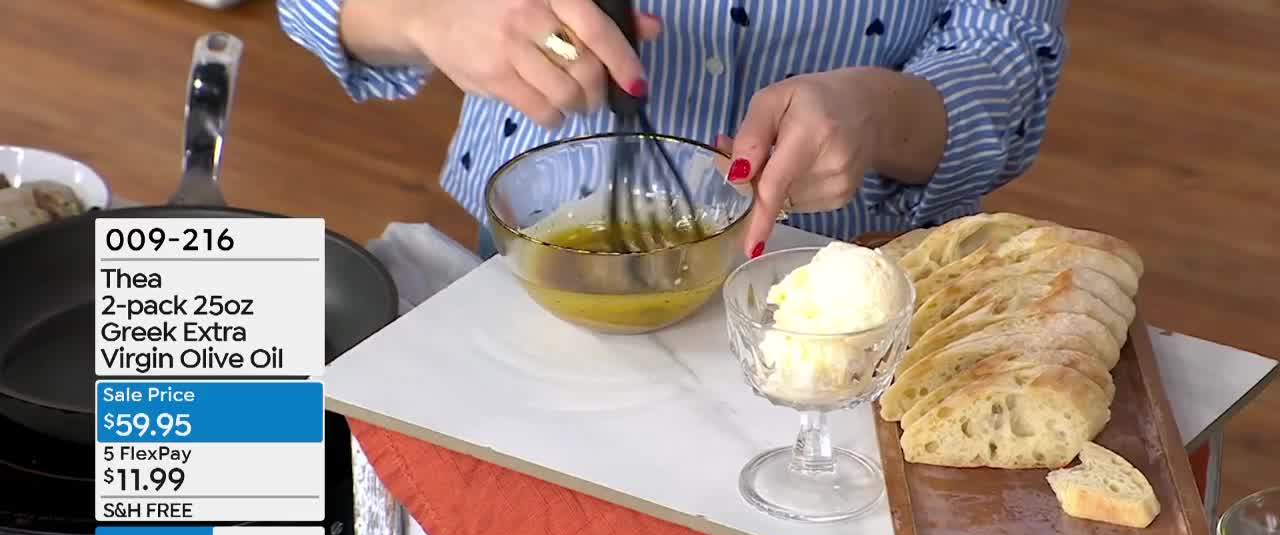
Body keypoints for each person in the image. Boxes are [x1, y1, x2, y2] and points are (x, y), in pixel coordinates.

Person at [278, 0, 1067, 259]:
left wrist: (878, 112)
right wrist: (433, 12)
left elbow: (1008, 55)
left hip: (836, 277)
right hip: (543, 250)